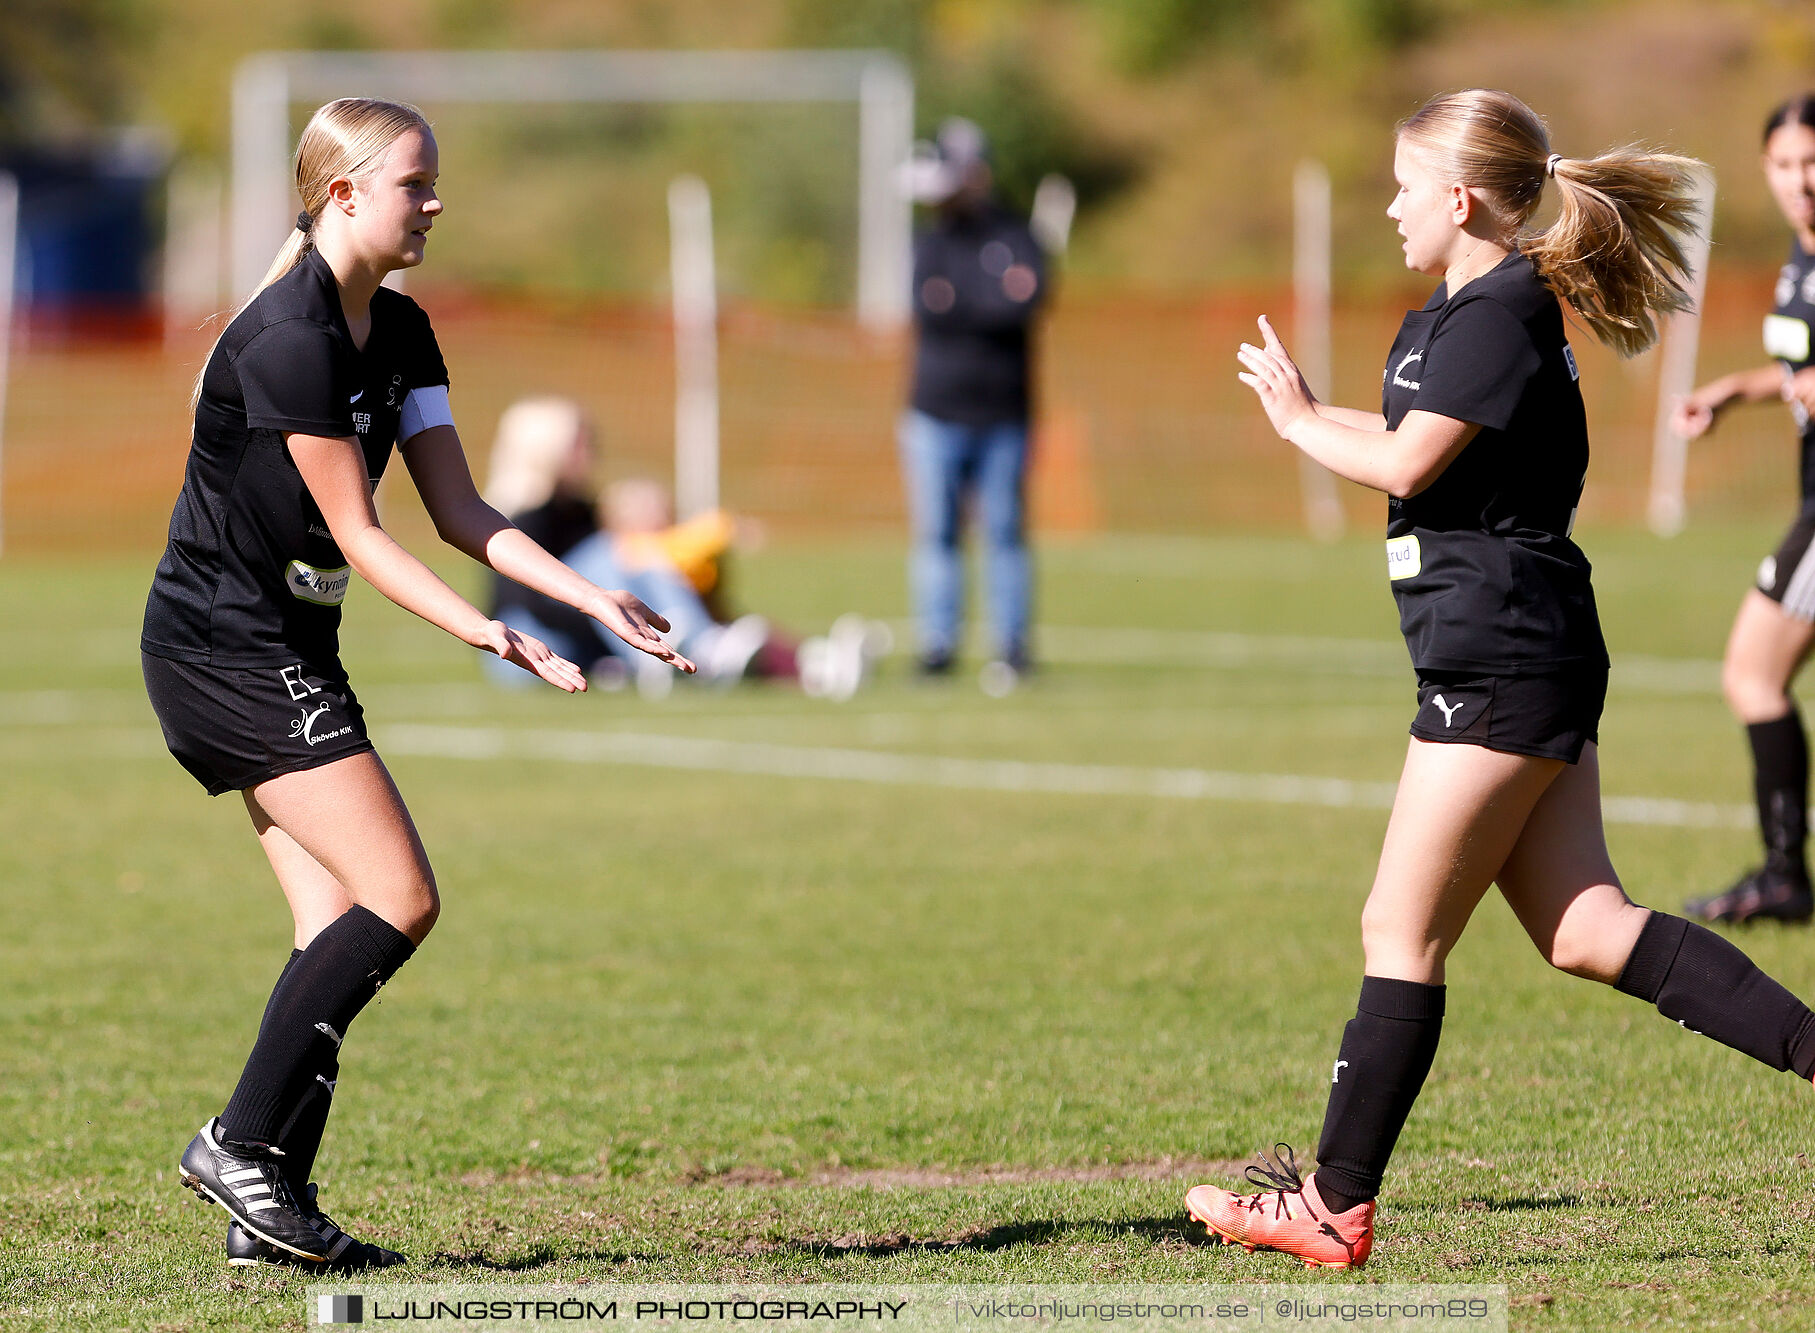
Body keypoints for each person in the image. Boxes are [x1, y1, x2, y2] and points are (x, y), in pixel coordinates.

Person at [1185, 88, 1815, 1270]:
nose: (1390, 205)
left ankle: (1330, 1203)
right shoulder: (1461, 312)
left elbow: (1408, 459)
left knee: (1397, 926)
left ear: (1460, 197)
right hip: (1518, 652)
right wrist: (1319, 409)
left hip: (1503, 660)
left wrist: (1295, 420)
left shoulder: (1501, 312)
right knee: (1587, 929)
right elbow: (1414, 440)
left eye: (1404, 185)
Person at [140, 98, 692, 1272]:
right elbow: (367, 533)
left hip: (278, 638)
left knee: (332, 922)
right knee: (401, 895)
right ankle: (238, 1145)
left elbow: (463, 512)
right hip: (223, 646)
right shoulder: (287, 338)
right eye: (414, 184)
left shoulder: (404, 333)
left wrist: (593, 600)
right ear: (341, 194)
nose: (434, 203)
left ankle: (265, 1205)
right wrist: (492, 640)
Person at [1674, 95, 1815, 925]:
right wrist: (1738, 389)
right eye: (1785, 165)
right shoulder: (1798, 260)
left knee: (1752, 672)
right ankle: (1784, 872)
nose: (1801, 181)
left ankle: (1784, 874)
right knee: (1754, 674)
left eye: (1813, 163)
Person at [479, 396, 764, 696]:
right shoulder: (522, 519)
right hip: (525, 646)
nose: (590, 453)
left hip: (582, 642)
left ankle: (698, 641)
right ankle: (663, 653)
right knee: (608, 551)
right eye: (579, 444)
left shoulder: (585, 510)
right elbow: (526, 606)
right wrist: (606, 616)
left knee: (633, 550)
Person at [900, 117, 1047, 691]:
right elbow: (932, 307)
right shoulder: (931, 241)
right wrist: (988, 300)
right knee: (936, 534)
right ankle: (938, 646)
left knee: (1005, 531)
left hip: (1004, 413)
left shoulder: (1015, 234)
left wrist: (968, 302)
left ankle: (1012, 647)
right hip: (934, 412)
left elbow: (1026, 301)